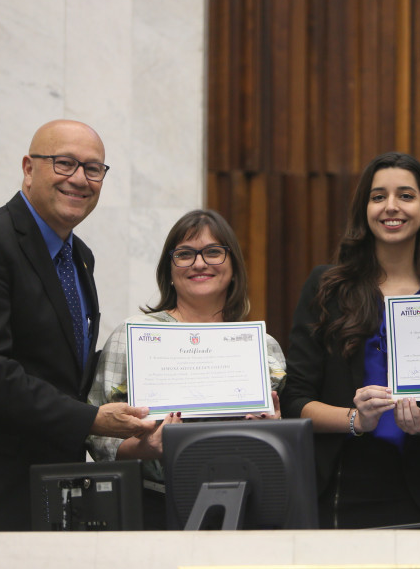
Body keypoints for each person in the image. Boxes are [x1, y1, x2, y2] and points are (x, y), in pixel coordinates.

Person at [0, 120, 155, 531]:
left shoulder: (80, 256)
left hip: (58, 486)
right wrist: (92, 420)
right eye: (65, 163)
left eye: (94, 169)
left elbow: (65, 367)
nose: (80, 179)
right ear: (29, 168)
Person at [280, 151, 420, 529]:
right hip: (334, 496)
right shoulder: (326, 288)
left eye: (406, 195)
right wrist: (357, 420)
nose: (391, 207)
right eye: (378, 196)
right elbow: (294, 399)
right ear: (364, 209)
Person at [88, 209, 286, 527]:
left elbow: (277, 450)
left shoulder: (264, 348)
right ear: (169, 270)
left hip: (243, 505)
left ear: (234, 267)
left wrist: (273, 429)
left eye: (213, 252)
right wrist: (143, 447)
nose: (198, 263)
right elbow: (96, 432)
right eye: (184, 254)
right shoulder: (132, 337)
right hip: (150, 505)